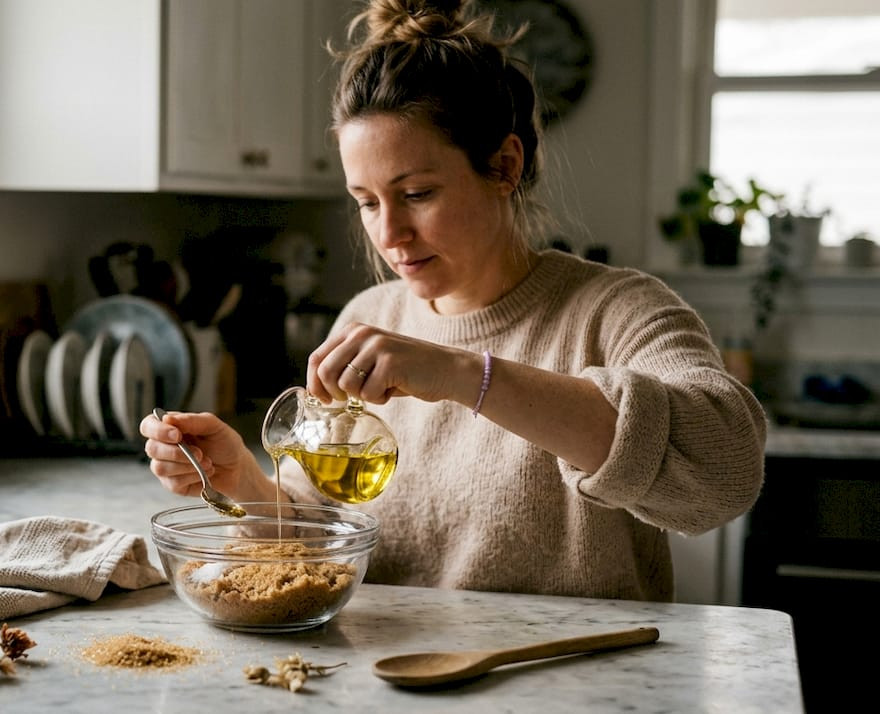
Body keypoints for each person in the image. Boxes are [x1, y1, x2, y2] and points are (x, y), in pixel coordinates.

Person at [140, 0, 765, 602]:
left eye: (416, 194)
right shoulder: (367, 318)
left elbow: (726, 473)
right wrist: (240, 483)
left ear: (503, 166)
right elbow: (316, 535)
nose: (389, 234)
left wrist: (465, 373)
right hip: (393, 681)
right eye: (366, 201)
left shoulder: (619, 311)